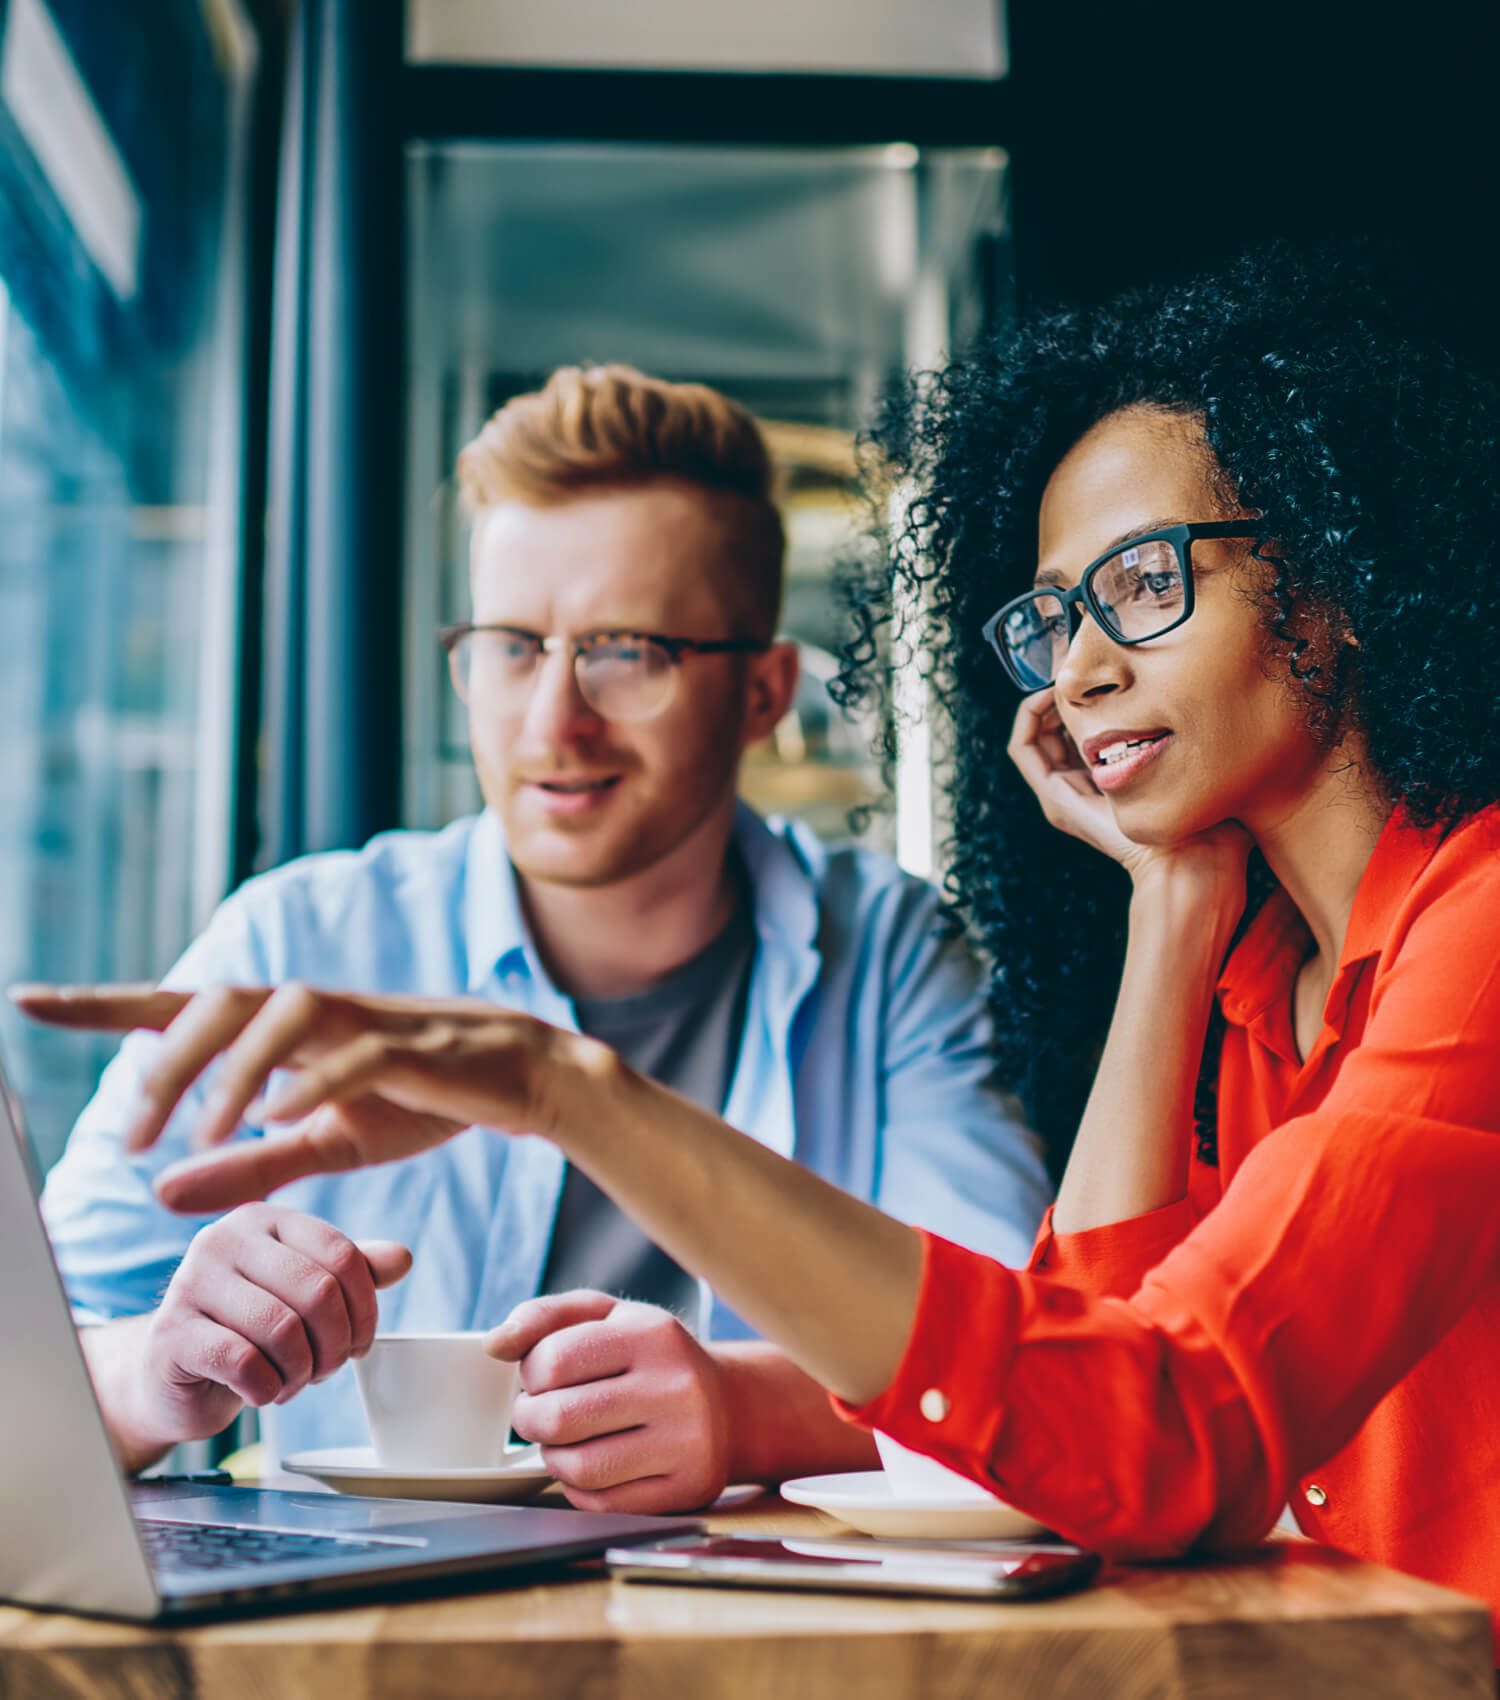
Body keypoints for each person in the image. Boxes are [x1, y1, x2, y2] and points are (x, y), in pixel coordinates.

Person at [28, 246, 1500, 1635]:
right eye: (1054, 616)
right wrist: (1169, 916)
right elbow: (1082, 1382)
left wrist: (572, 1096)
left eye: (1141, 584)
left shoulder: (1465, 931)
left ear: (1336, 574)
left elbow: (1100, 1414)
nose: (1084, 668)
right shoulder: (1258, 991)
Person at [31, 364, 1050, 1507]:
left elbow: (1023, 1360)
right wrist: (157, 1375)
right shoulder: (300, 938)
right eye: (512, 645)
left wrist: (743, 1409)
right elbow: (28, 1371)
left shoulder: (890, 950)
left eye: (626, 651)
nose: (552, 719)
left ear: (764, 693)